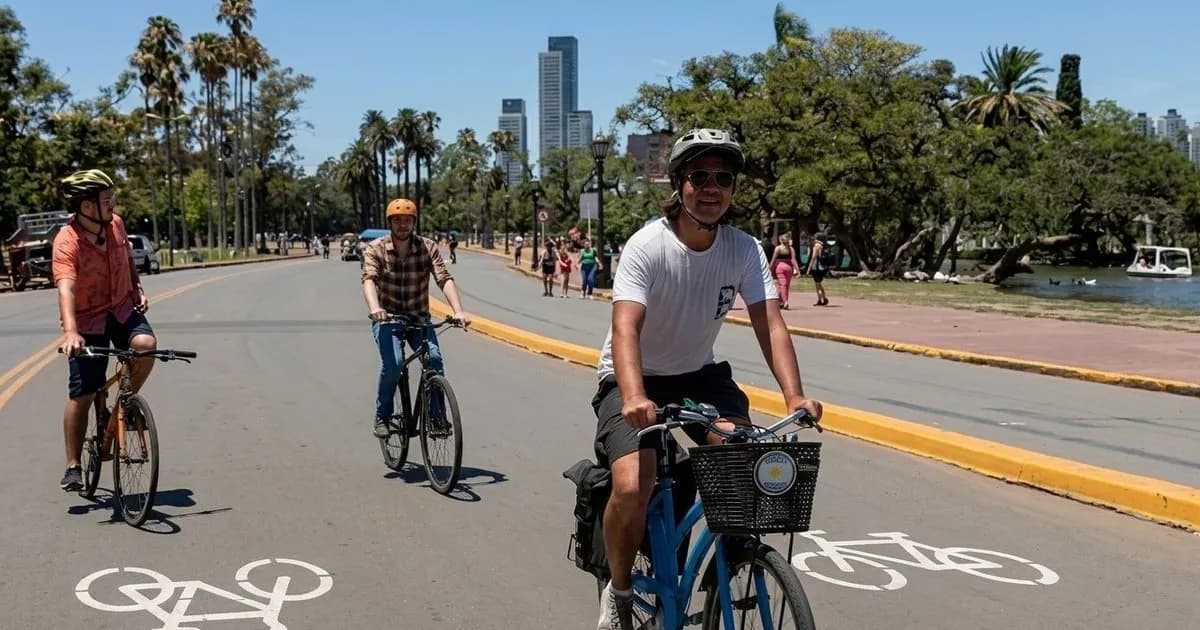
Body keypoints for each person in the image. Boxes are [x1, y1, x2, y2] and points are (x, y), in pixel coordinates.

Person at [588, 129, 823, 629]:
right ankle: (620, 588)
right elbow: (624, 327)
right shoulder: (647, 246)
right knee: (633, 484)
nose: (712, 187)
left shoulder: (742, 248)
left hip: (698, 377)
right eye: (699, 176)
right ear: (679, 184)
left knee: (745, 454)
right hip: (634, 380)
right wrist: (633, 395)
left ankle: (732, 557)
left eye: (723, 177)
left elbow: (770, 323)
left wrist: (794, 395)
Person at [51, 169, 156, 491]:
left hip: (122, 307)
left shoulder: (117, 224)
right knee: (82, 393)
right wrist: (71, 332)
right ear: (86, 206)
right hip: (88, 319)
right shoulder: (67, 241)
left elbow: (127, 260)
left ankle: (127, 400)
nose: (112, 204)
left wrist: (137, 288)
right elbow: (66, 289)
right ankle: (73, 465)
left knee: (145, 345)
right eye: (105, 199)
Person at [361, 199, 471, 439]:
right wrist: (375, 308)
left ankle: (436, 418)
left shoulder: (427, 247)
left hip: (419, 318)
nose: (403, 225)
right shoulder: (376, 248)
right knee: (394, 364)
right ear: (389, 222)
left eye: (408, 220)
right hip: (388, 318)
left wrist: (459, 310)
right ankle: (383, 416)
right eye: (398, 221)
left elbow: (444, 278)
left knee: (434, 361)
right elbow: (369, 278)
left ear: (414, 222)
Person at [769, 233, 799, 309]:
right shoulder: (791, 249)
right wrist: (798, 270)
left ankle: (784, 302)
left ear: (780, 240)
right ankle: (782, 301)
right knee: (786, 285)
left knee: (782, 285)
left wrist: (769, 268)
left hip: (779, 267)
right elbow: (793, 260)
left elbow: (773, 259)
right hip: (789, 268)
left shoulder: (778, 248)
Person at [807, 232, 830, 306]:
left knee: (817, 284)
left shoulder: (816, 246)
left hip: (816, 267)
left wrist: (809, 268)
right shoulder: (823, 245)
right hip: (823, 267)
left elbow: (813, 258)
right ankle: (823, 298)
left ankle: (821, 299)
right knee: (819, 284)